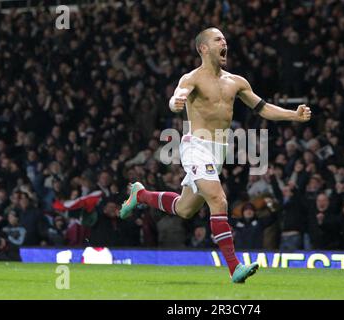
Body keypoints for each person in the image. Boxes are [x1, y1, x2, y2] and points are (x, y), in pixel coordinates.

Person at [119, 27, 311, 283]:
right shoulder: (192, 78)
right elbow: (178, 95)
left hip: (218, 152)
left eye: (225, 39)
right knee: (219, 201)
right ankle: (235, 269)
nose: (225, 43)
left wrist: (292, 115)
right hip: (195, 146)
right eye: (218, 39)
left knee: (185, 209)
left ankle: (140, 194)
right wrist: (175, 102)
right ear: (203, 48)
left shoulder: (237, 82)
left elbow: (263, 108)